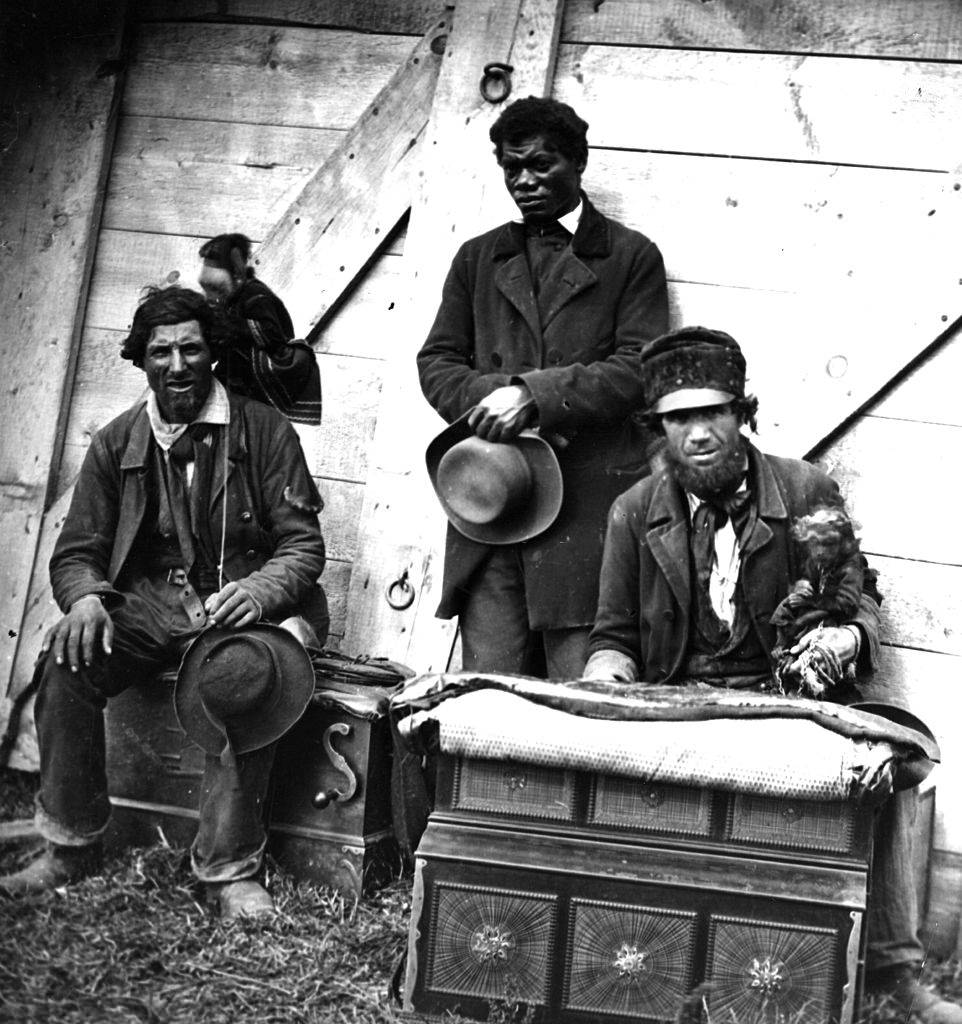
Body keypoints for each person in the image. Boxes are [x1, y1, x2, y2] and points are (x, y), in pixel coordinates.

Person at [583, 326, 962, 1024]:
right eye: (679, 419)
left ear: (742, 413)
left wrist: (845, 639)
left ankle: (895, 969)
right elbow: (612, 637)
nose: (698, 434)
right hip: (680, 703)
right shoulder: (634, 512)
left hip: (788, 701)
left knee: (902, 767)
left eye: (713, 414)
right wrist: (609, 673)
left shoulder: (806, 489)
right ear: (660, 429)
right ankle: (632, 949)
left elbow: (859, 597)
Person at [0, 286, 326, 919]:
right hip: (150, 605)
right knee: (65, 662)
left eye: (191, 349)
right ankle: (70, 844)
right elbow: (75, 554)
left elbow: (302, 546)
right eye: (161, 352)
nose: (177, 366)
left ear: (213, 355)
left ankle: (228, 868)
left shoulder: (264, 431)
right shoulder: (115, 442)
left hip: (237, 605)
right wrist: (89, 598)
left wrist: (259, 593)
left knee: (239, 677)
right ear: (140, 359)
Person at [417, 96, 669, 678]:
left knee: (579, 703)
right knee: (484, 699)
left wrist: (534, 396)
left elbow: (640, 368)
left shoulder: (631, 257)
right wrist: (493, 399)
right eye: (512, 168)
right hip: (492, 509)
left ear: (578, 163)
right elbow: (436, 360)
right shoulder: (477, 258)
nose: (524, 181)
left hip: (585, 517)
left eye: (540, 165)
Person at [198, 232, 322, 426]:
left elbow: (271, 335)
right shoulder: (231, 298)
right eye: (206, 289)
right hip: (235, 368)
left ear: (237, 276)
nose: (210, 298)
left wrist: (228, 327)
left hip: (260, 373)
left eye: (217, 290)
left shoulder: (256, 296)